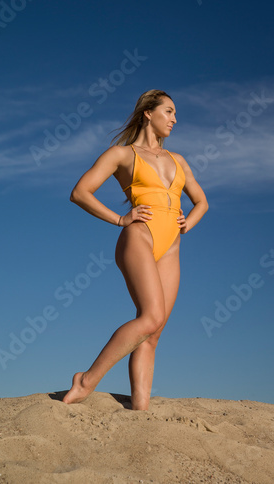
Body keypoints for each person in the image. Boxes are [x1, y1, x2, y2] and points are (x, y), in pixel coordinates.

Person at [62, 89, 208, 410]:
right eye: (168, 111)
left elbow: (202, 201)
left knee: (153, 332)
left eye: (174, 114)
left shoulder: (178, 160)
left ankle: (140, 411)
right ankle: (86, 380)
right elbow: (80, 192)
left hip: (171, 247)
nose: (174, 119)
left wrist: (187, 222)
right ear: (148, 113)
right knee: (151, 316)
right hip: (139, 237)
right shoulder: (122, 154)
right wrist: (119, 218)